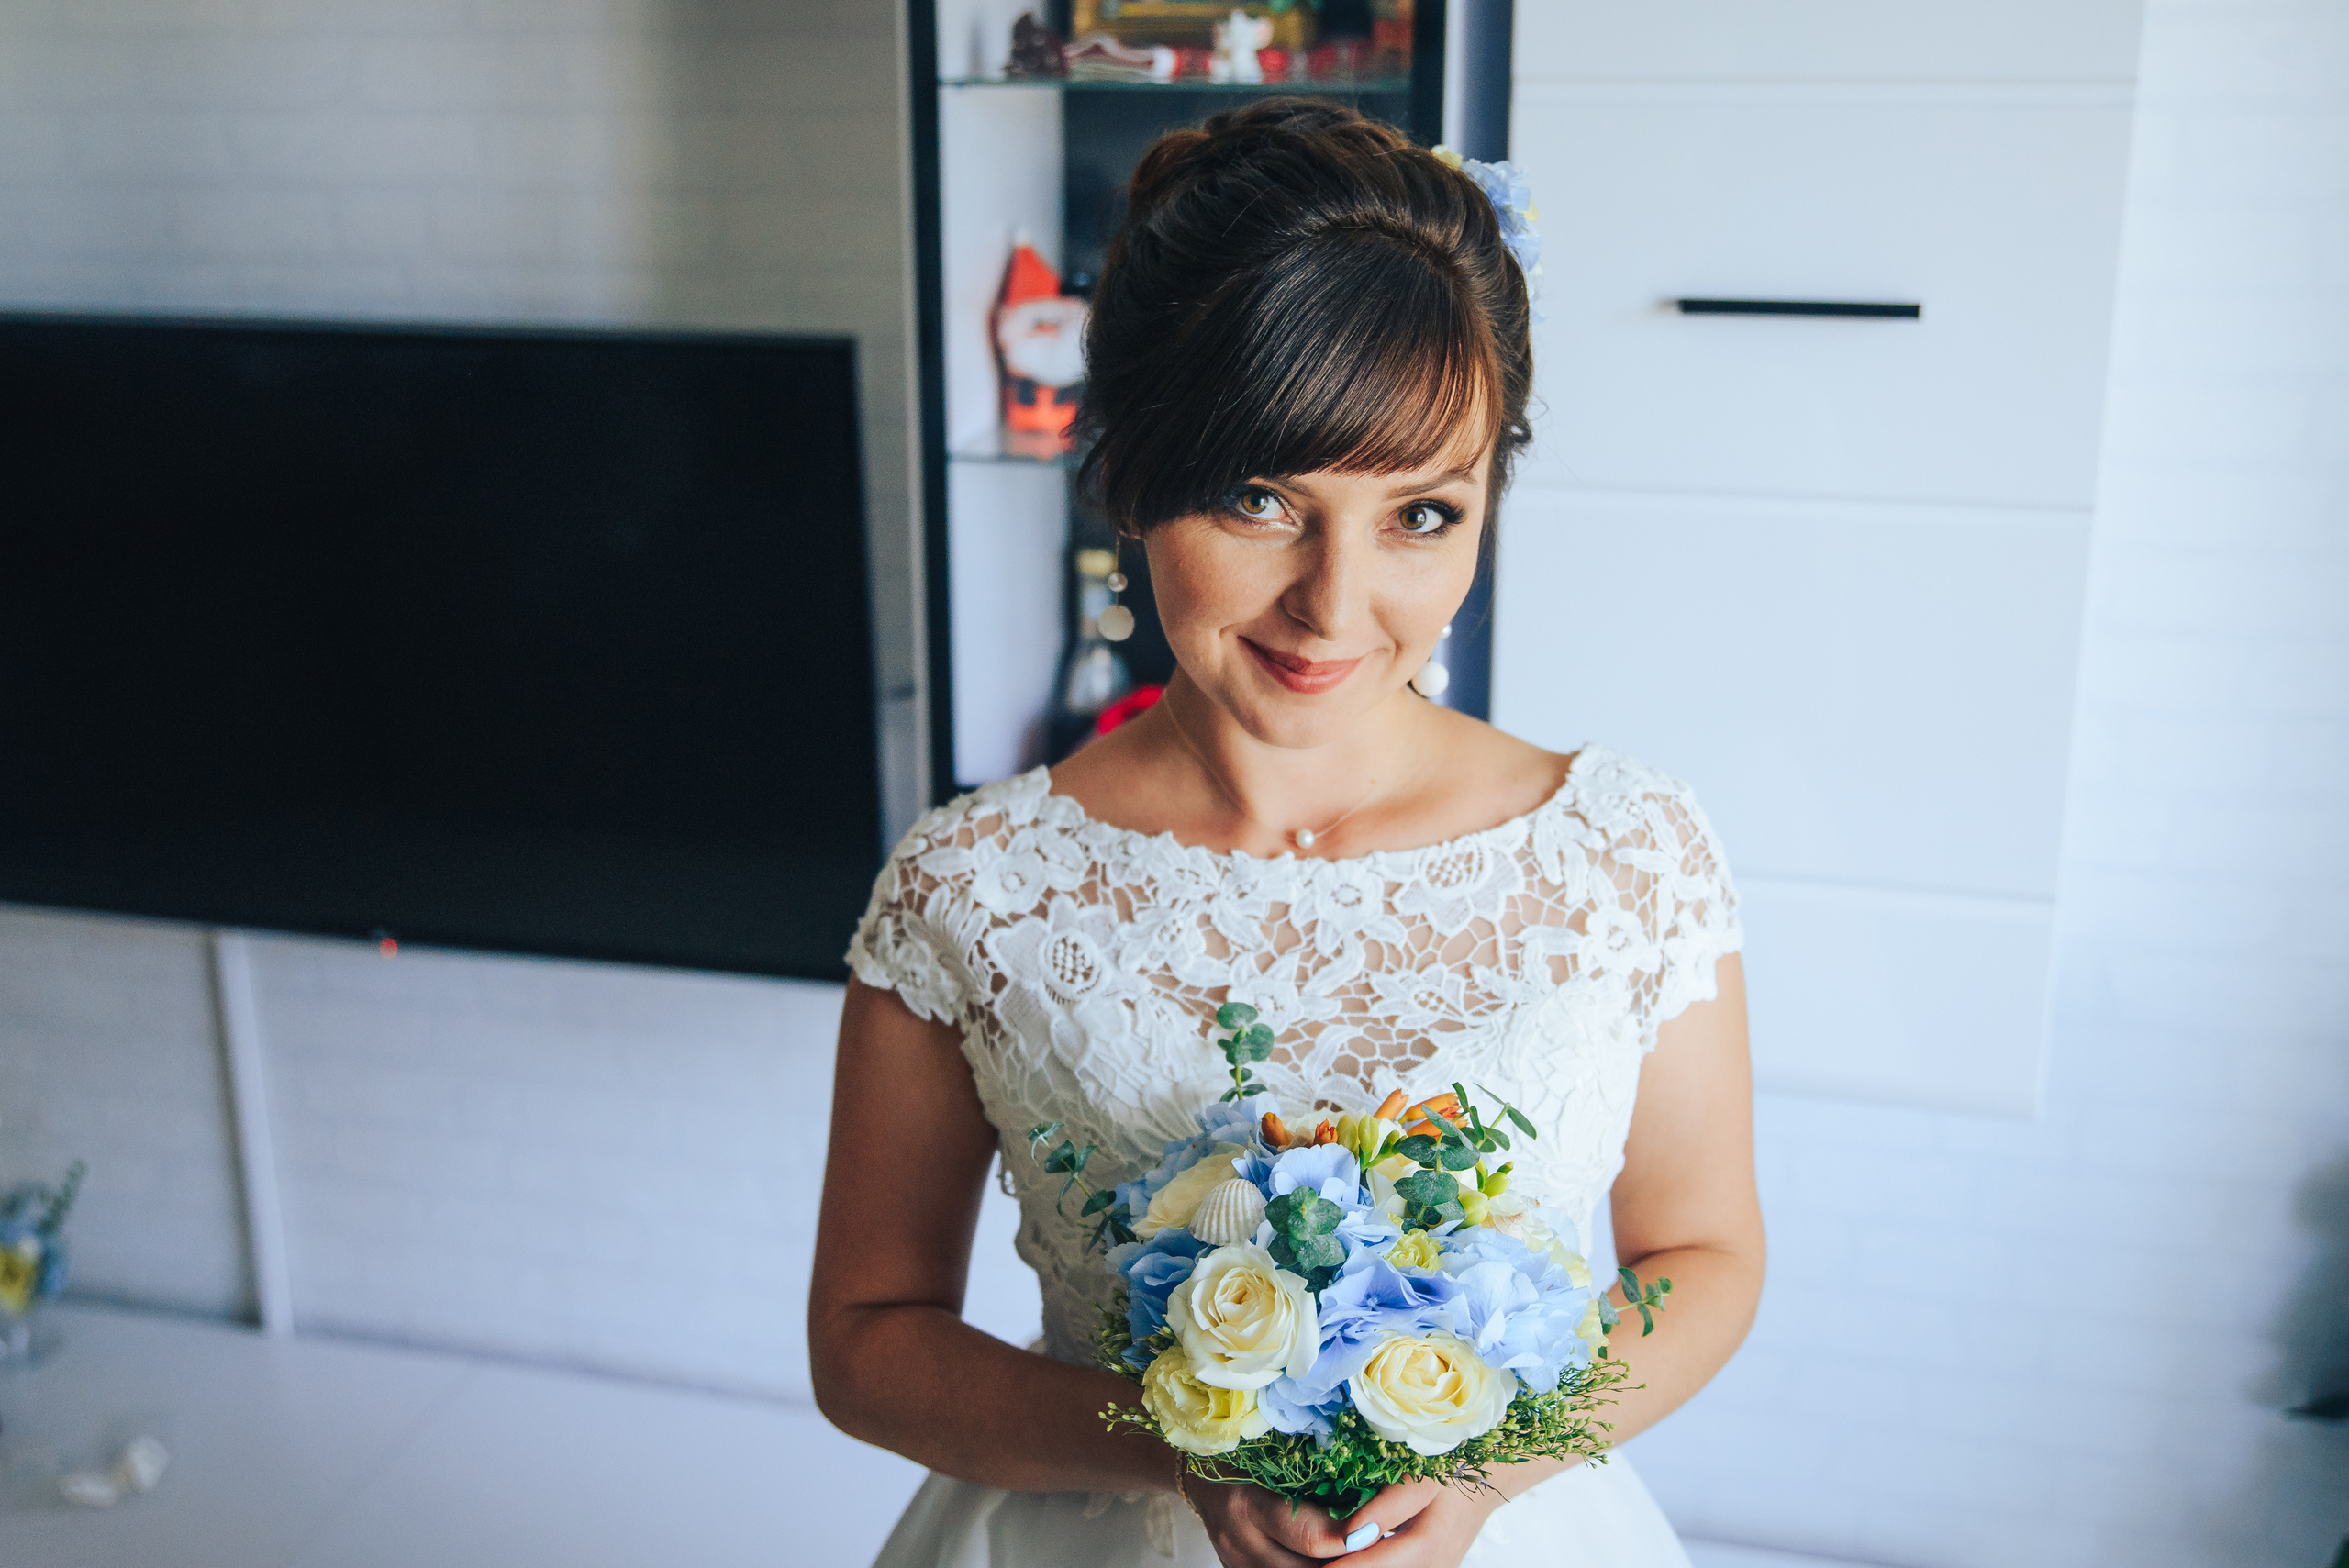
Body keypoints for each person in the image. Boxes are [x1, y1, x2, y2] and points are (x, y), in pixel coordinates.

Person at [810, 100, 1765, 1568]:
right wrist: (1182, 1440)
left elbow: (1704, 1257)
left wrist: (1495, 1464)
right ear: (1129, 469)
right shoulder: (973, 888)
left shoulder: (1623, 853)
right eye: (1262, 497)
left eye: (1423, 516)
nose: (1335, 603)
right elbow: (868, 1339)